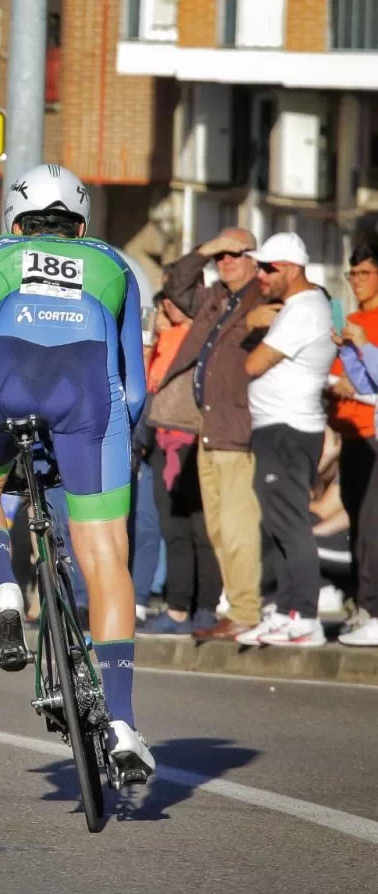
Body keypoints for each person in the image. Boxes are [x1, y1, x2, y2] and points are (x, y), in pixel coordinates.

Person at [0, 163, 153, 785]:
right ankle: (123, 722)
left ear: (16, 222)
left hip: (4, 383)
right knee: (106, 557)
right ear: (81, 225)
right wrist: (101, 446)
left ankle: (3, 586)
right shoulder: (113, 264)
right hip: (90, 398)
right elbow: (135, 390)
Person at [150, 227, 266, 642]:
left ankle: (245, 610)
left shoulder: (263, 296)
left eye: (236, 254)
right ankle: (237, 610)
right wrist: (210, 246)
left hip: (237, 425)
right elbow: (177, 282)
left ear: (257, 260)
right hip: (206, 426)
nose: (227, 261)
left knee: (234, 526)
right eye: (222, 256)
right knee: (217, 528)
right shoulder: (215, 298)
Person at [234, 233, 336, 647]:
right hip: (277, 428)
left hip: (289, 429)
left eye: (268, 268)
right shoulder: (296, 307)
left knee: (292, 523)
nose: (261, 275)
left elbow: (253, 363)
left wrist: (263, 323)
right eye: (259, 267)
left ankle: (305, 616)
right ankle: (284, 610)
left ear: (291, 269)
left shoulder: (304, 308)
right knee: (277, 523)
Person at [139, 292, 222, 635]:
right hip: (163, 442)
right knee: (175, 531)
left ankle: (205, 608)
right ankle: (177, 610)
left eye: (171, 302)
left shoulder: (201, 337)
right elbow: (147, 389)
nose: (164, 309)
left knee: (202, 530)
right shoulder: (159, 341)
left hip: (196, 441)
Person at [329, 242, 378, 646]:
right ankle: (364, 606)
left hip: (371, 434)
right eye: (353, 274)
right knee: (360, 526)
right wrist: (347, 352)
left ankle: (372, 609)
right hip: (353, 434)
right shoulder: (355, 321)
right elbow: (363, 382)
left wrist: (361, 345)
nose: (357, 282)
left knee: (372, 526)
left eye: (364, 273)